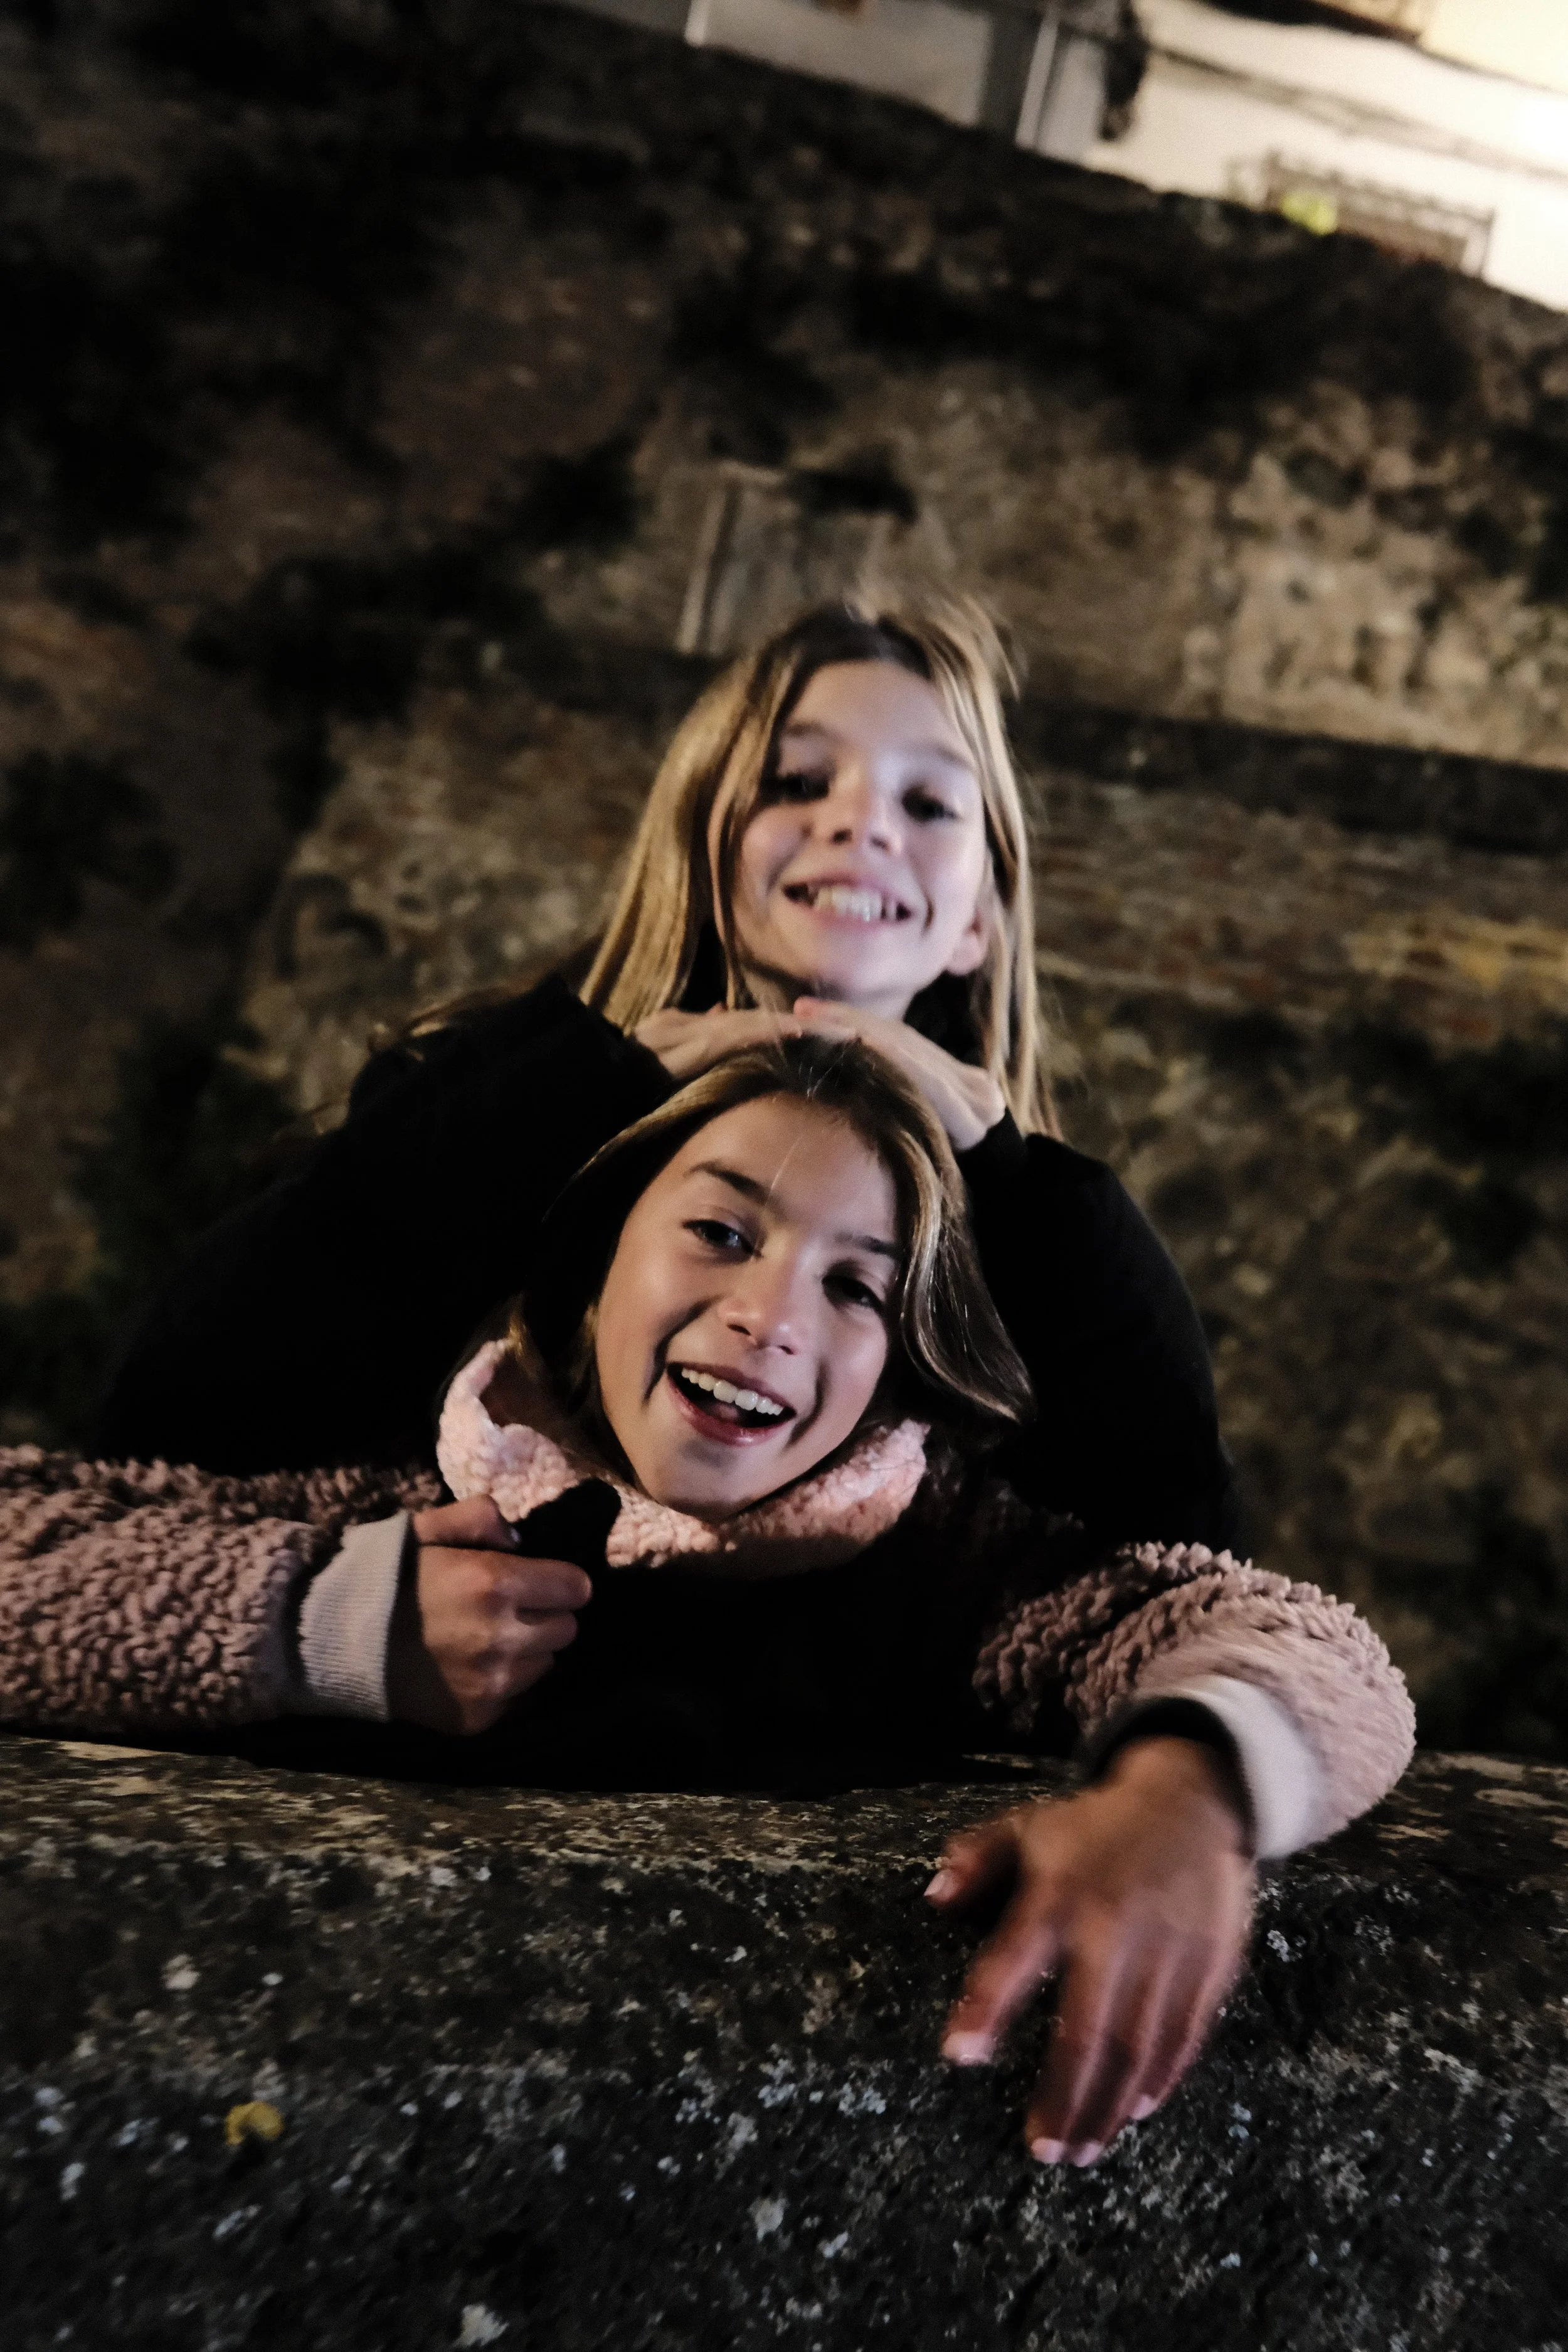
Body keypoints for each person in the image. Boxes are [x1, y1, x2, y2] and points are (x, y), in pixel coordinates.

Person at [9, 1040, 1412, 2166]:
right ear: (598, 1265)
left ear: (900, 1362)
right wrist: (335, 1620)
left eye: (855, 1286)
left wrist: (1188, 1790)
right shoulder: (415, 1505)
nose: (771, 1314)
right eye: (721, 1230)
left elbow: (1284, 1632)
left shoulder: (944, 1572)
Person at [95, 599, 1237, 1564]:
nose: (858, 821)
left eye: (930, 804)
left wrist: (1027, 1189)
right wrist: (568, 1093)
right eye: (798, 779)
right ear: (702, 837)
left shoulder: (1039, 1231)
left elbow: (1178, 1559)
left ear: (980, 919)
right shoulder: (493, 1092)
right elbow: (178, 1416)